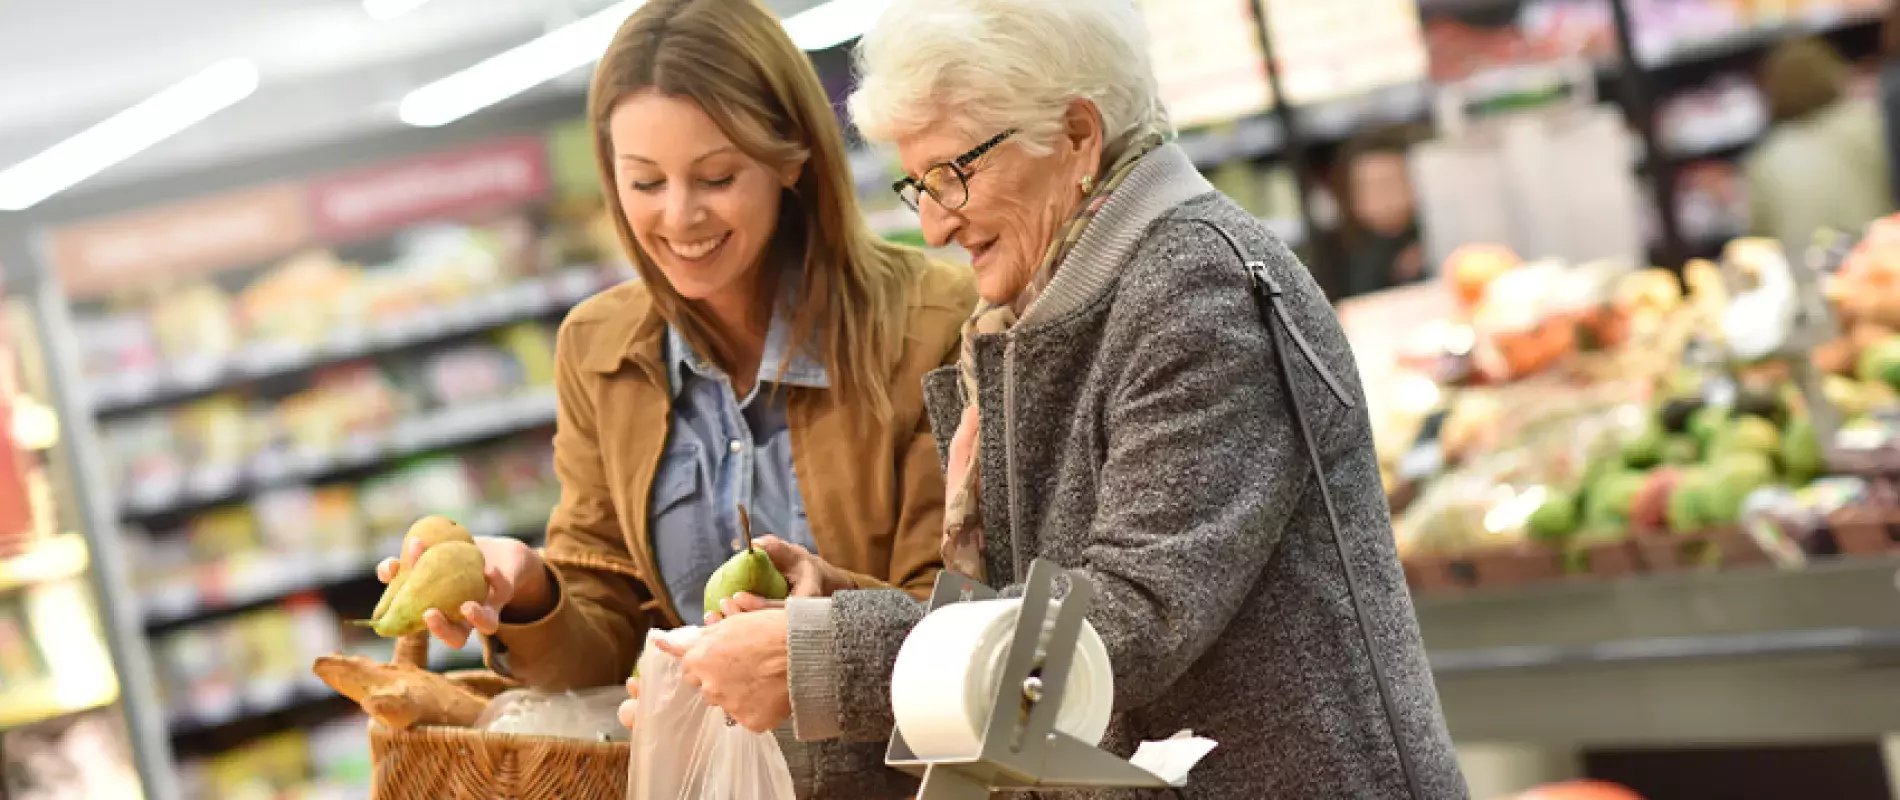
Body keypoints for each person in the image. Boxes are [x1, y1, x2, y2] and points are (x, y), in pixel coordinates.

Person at [656, 0, 1468, 797]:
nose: (933, 227)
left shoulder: (1196, 291)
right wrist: (834, 612)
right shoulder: (1043, 313)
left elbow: (1127, 622)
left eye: (952, 175)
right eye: (917, 185)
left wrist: (825, 657)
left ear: (1078, 134)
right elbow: (1036, 616)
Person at [378, 0, 973, 791]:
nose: (678, 216)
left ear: (790, 157)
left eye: (717, 176)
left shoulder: (934, 322)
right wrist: (527, 589)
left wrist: (808, 637)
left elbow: (958, 611)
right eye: (645, 182)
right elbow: (608, 625)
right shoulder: (599, 347)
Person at [1745, 36, 1892, 259]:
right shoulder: (1869, 122)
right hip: (1883, 260)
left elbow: (1759, 240)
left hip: (1811, 277)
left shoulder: (1764, 160)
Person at [1334, 125, 1428, 299]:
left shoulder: (1435, 235)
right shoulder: (1350, 262)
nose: (1385, 197)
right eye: (1372, 188)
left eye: (1391, 183)